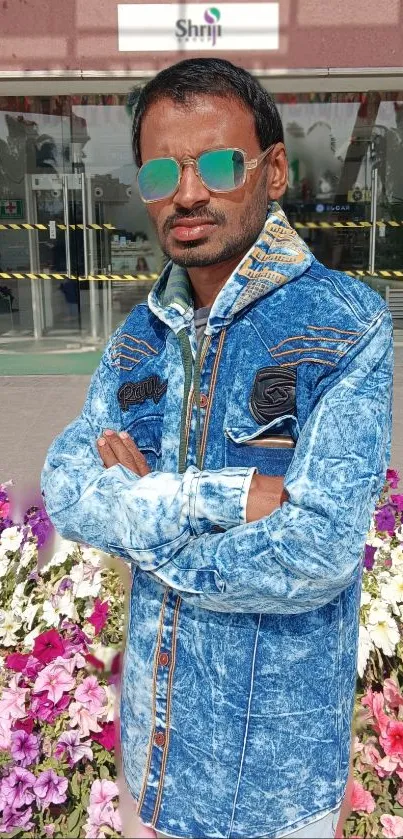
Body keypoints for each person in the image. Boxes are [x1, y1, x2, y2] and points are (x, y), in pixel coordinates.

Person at [41, 58, 393, 839]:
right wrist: (225, 500)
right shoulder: (138, 339)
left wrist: (142, 526)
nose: (189, 191)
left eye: (219, 163)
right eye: (163, 169)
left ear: (271, 171)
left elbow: (318, 548)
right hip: (153, 770)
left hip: (271, 790)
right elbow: (67, 484)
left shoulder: (342, 327)